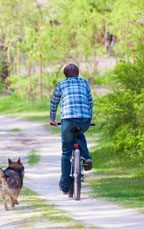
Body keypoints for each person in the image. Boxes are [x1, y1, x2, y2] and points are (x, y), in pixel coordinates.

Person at [49, 63, 93, 194]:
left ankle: (65, 185)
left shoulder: (61, 85)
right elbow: (90, 102)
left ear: (65, 75)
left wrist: (52, 119)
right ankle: (87, 157)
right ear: (78, 73)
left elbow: (54, 102)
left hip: (67, 119)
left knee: (66, 153)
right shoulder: (85, 83)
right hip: (85, 119)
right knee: (79, 134)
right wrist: (88, 115)